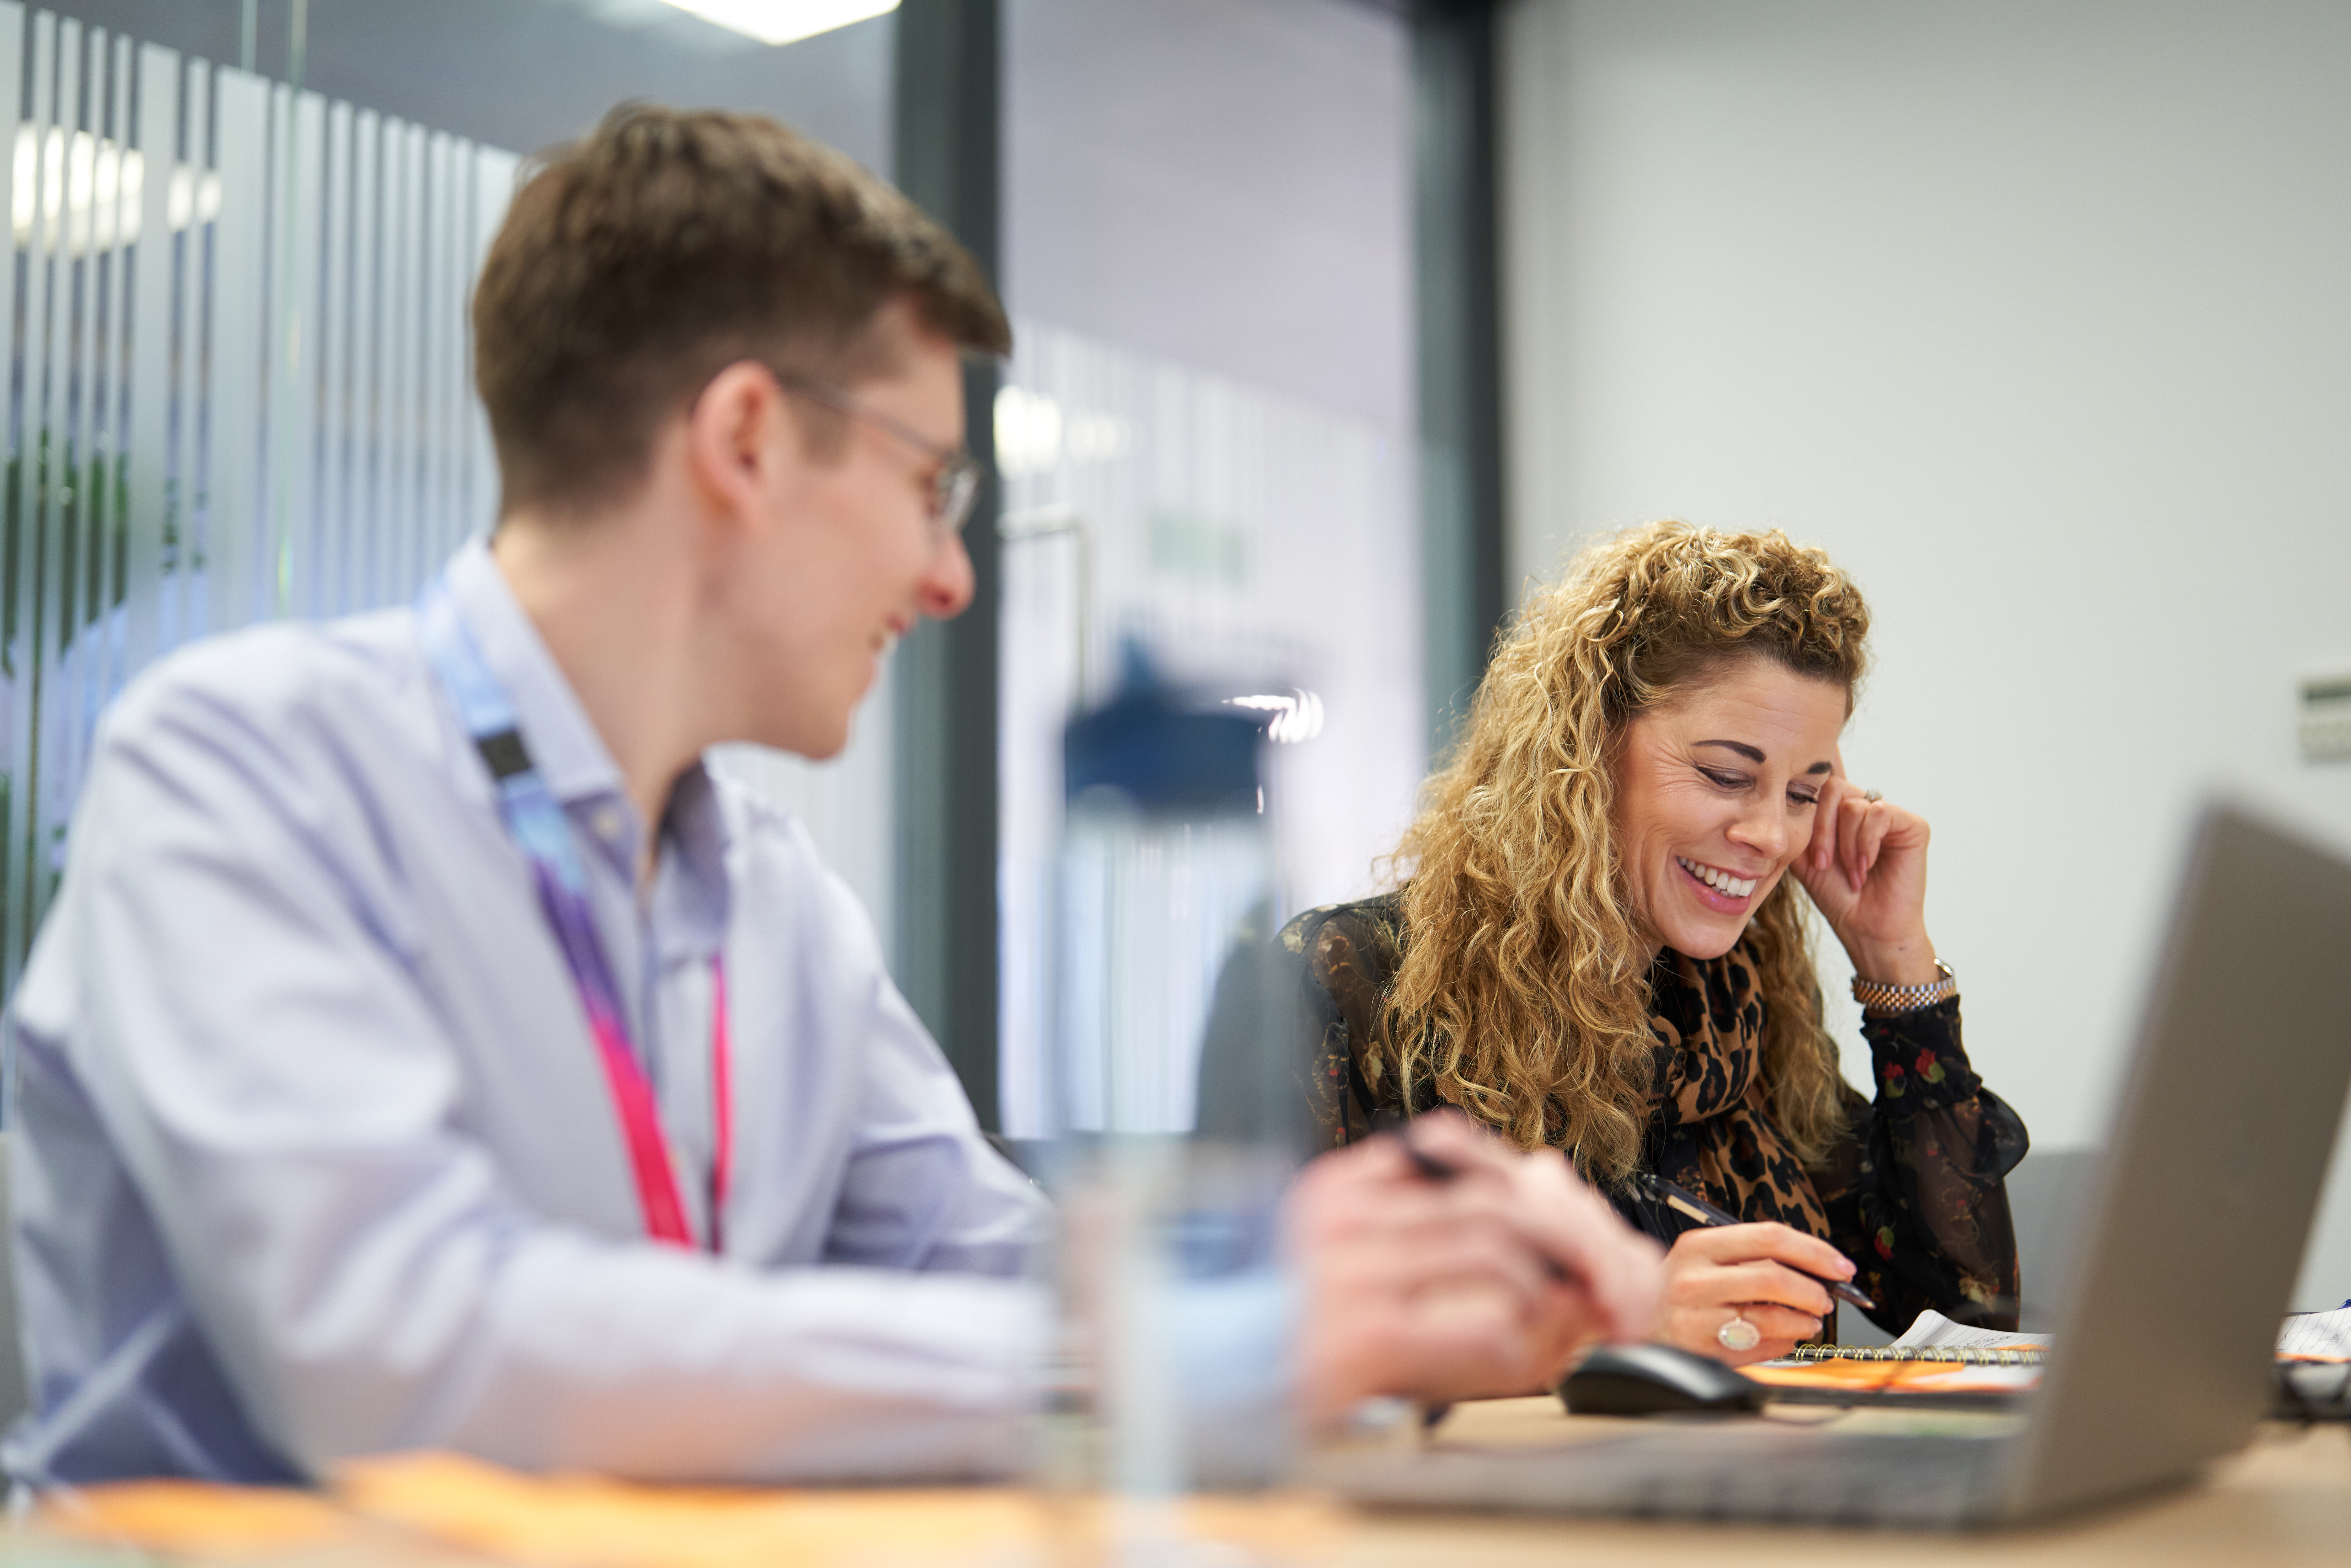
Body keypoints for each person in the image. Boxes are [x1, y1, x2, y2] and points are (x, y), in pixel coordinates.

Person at [0, 105, 1661, 1488]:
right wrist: (1200, 1330)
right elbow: (396, 1346)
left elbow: (1005, 1267)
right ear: (744, 439)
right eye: (927, 484)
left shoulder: (767, 890)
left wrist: (1391, 1261)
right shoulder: (244, 766)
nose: (950, 577)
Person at [1277, 520, 2027, 1367]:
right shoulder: (1352, 979)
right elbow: (1275, 1352)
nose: (1771, 836)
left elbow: (1966, 1307)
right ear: (1585, 746)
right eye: (1726, 776)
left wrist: (1894, 960)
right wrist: (1612, 1328)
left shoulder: (1742, 1006)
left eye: (1803, 794)